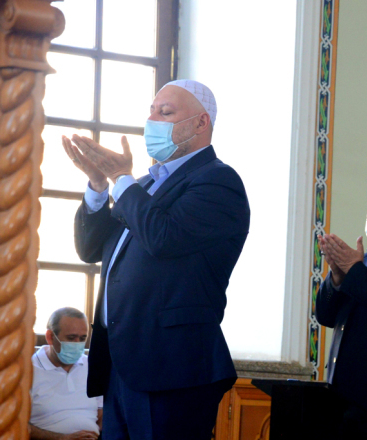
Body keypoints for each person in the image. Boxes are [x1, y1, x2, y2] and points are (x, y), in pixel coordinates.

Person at [62, 79, 250, 440]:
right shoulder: (145, 185)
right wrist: (100, 186)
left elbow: (164, 238)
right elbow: (89, 249)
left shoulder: (217, 181)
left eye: (165, 112)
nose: (153, 120)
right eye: (151, 111)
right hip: (122, 362)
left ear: (200, 123)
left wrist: (121, 178)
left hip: (171, 366)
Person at [316, 186, 367, 439]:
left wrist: (353, 269)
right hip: (338, 393)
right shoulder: (362, 259)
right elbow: (325, 316)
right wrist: (336, 278)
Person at [30, 308, 102, 440]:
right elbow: (17, 423)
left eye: (82, 338)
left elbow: (102, 413)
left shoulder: (92, 367)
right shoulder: (28, 372)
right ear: (50, 337)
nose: (77, 344)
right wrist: (62, 438)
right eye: (71, 338)